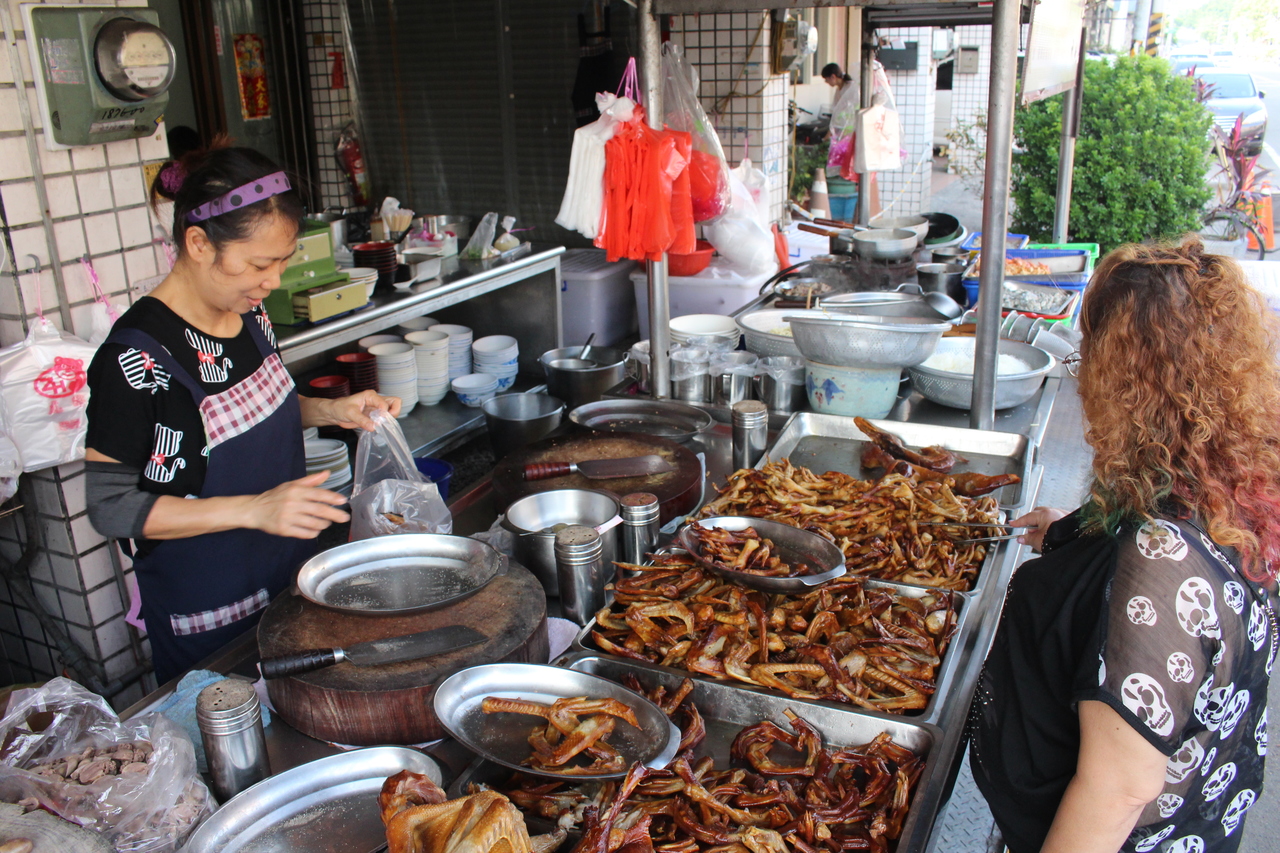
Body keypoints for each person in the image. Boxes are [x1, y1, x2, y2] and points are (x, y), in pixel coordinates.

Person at [968, 237, 1278, 853]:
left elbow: (1118, 790)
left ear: (1125, 379)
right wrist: (1070, 530)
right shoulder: (1228, 477)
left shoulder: (1162, 559)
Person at [84, 144, 401, 683]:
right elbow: (110, 507)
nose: (273, 280)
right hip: (209, 606)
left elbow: (255, 414)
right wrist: (253, 508)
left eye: (282, 260)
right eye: (259, 263)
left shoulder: (251, 316)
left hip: (289, 577)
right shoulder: (136, 357)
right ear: (199, 243)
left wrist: (330, 409)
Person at [820, 63, 858, 222]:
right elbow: (836, 116)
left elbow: (847, 114)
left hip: (849, 132)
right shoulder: (840, 90)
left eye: (827, 79)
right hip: (841, 132)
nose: (827, 83)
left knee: (846, 161)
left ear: (833, 77)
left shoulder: (852, 89)